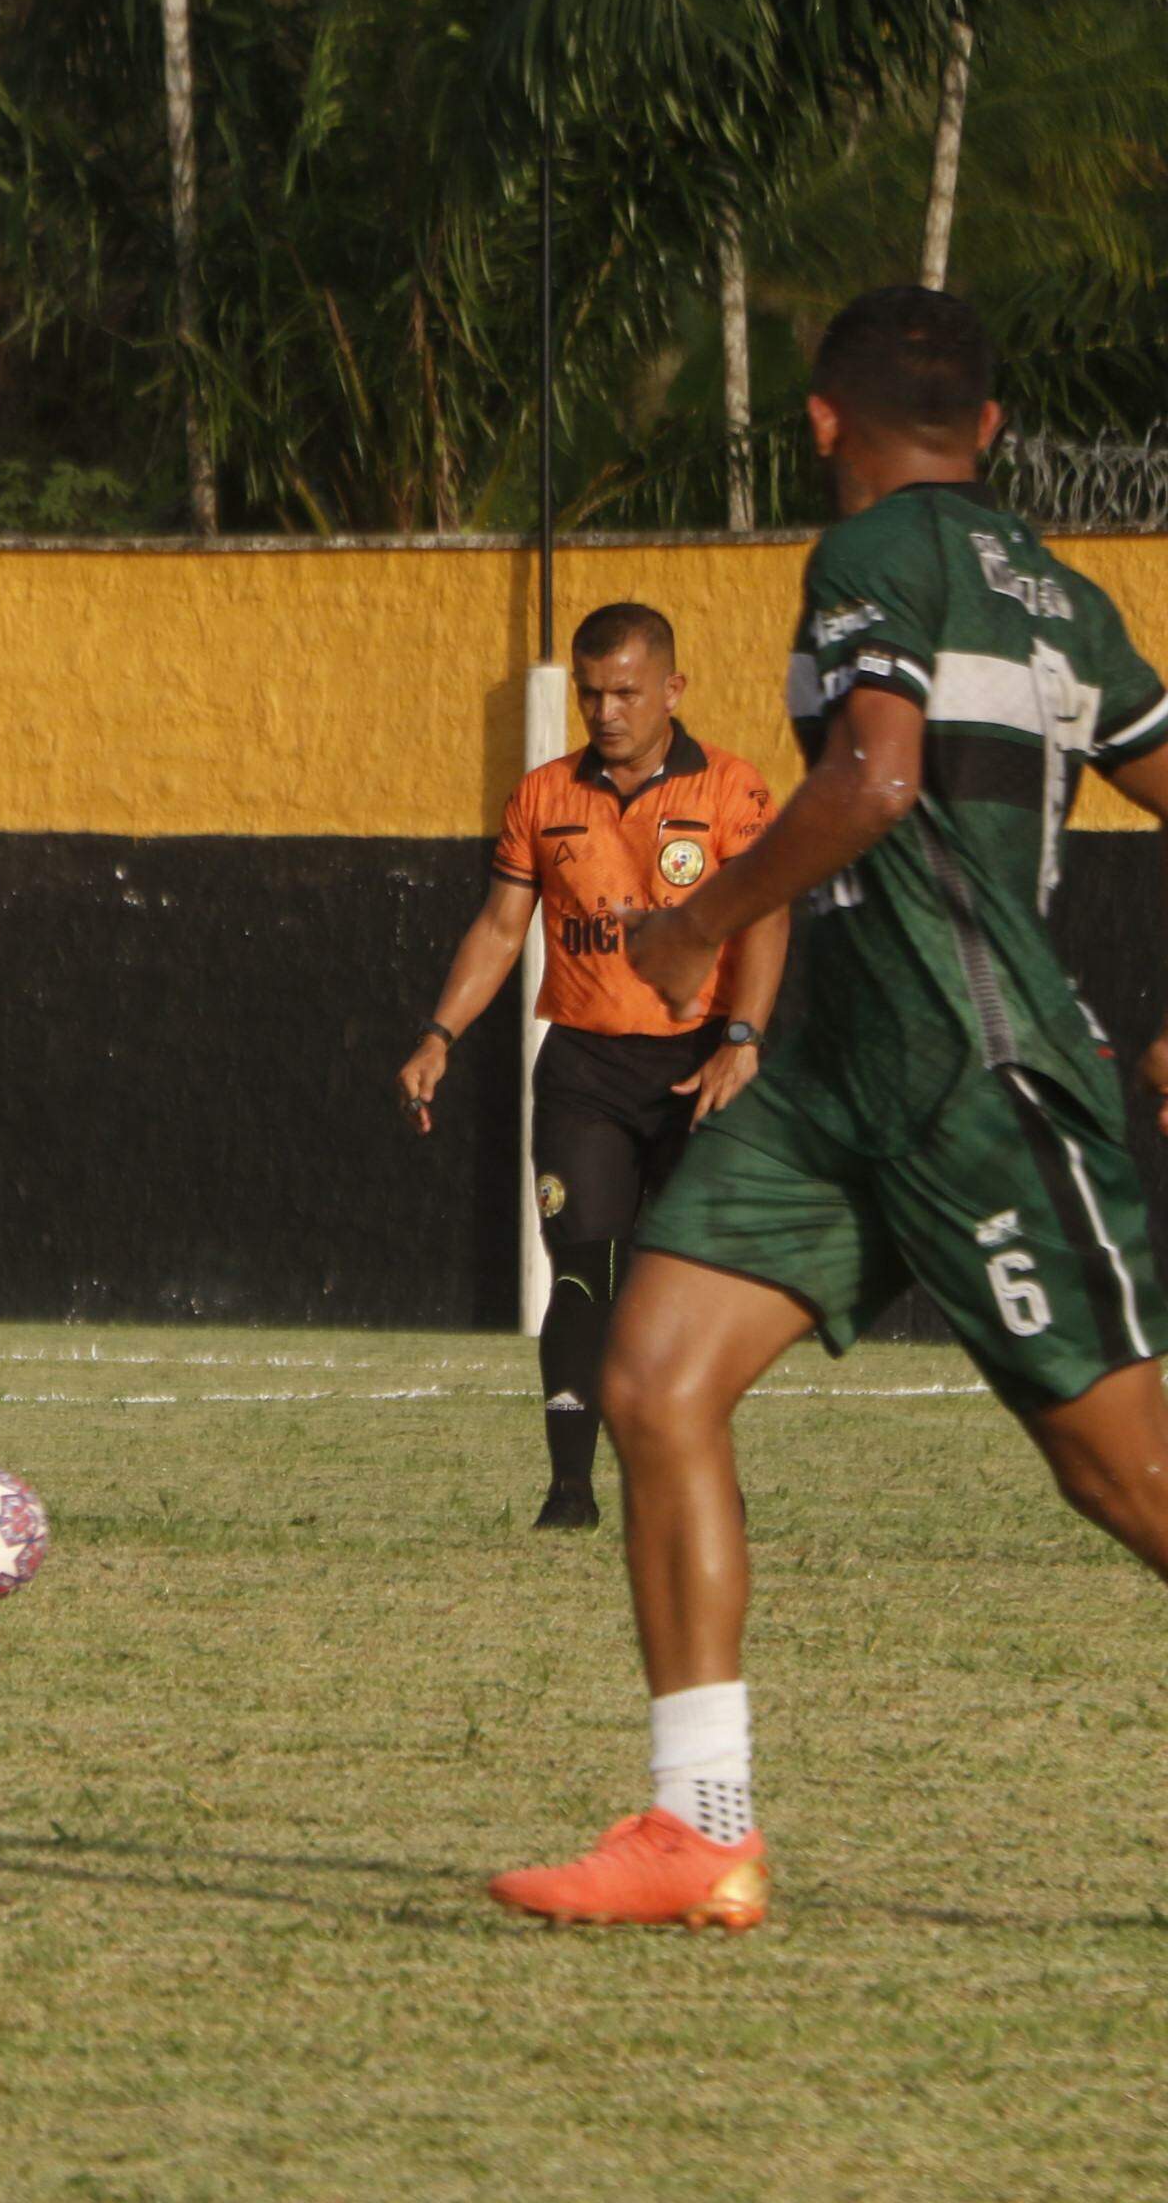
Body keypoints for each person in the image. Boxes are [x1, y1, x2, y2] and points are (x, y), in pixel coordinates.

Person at [488, 287, 1168, 1931]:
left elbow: (866, 778)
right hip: (833, 1089)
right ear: (990, 427)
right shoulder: (1057, 589)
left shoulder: (870, 554)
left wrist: (692, 925)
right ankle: (696, 1825)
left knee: (1125, 1478)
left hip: (970, 1081)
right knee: (648, 1380)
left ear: (816, 421)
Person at [398, 605, 787, 1529]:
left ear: (672, 690)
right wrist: (439, 1036)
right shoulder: (542, 797)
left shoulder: (732, 789)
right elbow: (500, 929)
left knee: (688, 1285)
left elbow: (767, 917)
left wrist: (743, 1037)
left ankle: (700, 1484)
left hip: (699, 1067)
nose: (605, 710)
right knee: (582, 1269)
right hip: (584, 1067)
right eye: (590, 691)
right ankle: (570, 1491)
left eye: (625, 691)